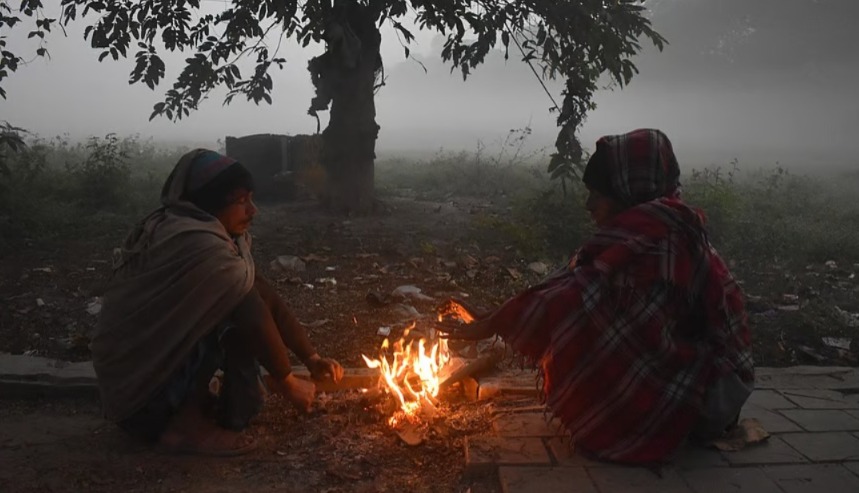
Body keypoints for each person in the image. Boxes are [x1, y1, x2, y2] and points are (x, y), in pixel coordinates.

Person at [438, 129, 754, 465]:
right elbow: (573, 284)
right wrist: (499, 315)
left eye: (597, 195)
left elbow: (575, 300)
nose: (588, 206)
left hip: (710, 397)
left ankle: (641, 424)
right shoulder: (655, 227)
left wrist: (497, 323)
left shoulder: (661, 242)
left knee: (592, 327)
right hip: (710, 381)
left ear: (627, 192)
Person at [92, 149, 344, 456]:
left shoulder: (209, 232)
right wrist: (288, 382)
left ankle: (202, 409)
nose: (253, 210)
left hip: (141, 387)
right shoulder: (195, 244)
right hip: (140, 396)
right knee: (236, 323)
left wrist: (311, 357)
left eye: (251, 198)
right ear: (210, 203)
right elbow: (250, 309)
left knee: (238, 317)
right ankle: (180, 428)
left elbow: (260, 292)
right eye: (240, 201)